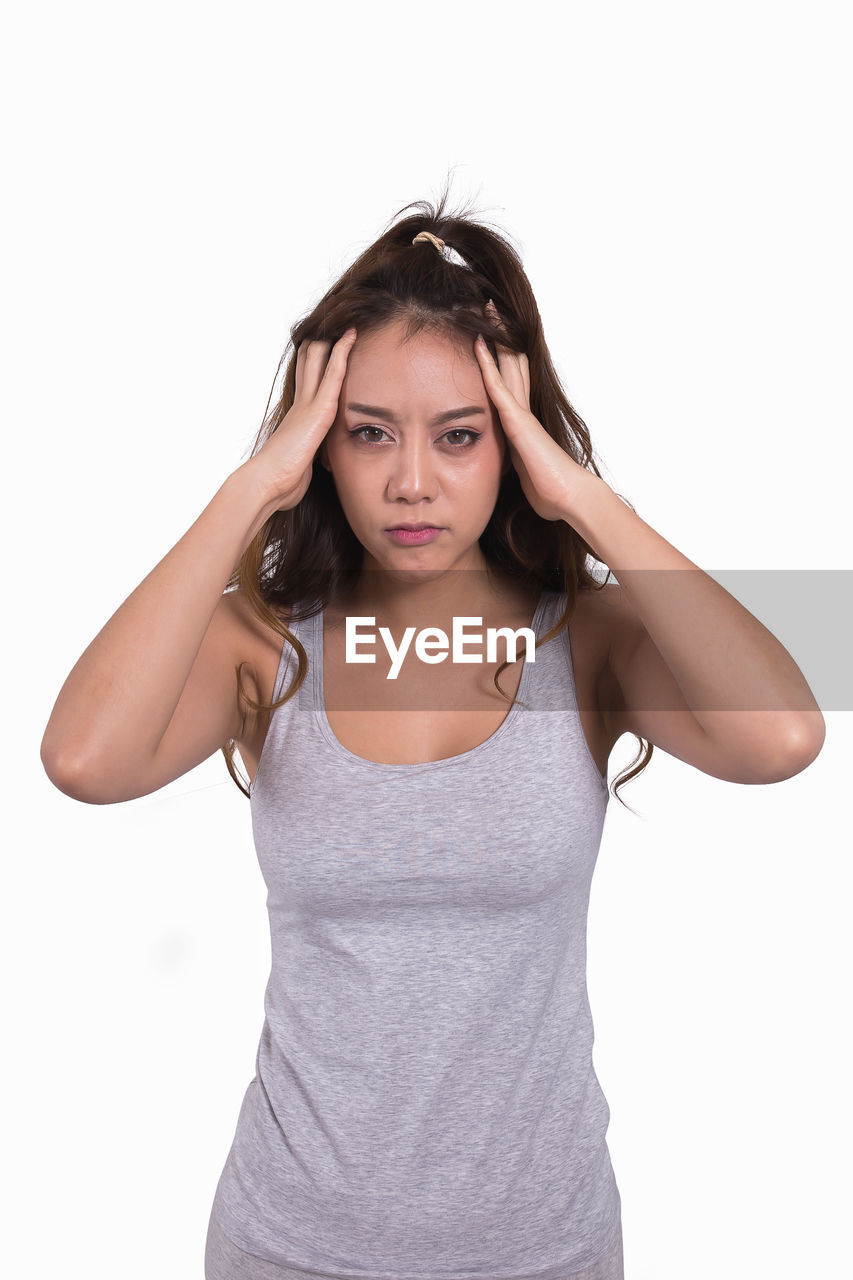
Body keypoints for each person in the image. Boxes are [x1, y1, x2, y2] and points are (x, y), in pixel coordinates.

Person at [40, 188, 825, 1280]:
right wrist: (253, 486)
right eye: (368, 434)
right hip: (289, 1244)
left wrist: (587, 500)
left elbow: (784, 733)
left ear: (515, 442)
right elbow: (82, 760)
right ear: (323, 446)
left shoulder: (587, 638)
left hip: (541, 1247)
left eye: (460, 436)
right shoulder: (262, 645)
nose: (411, 480)